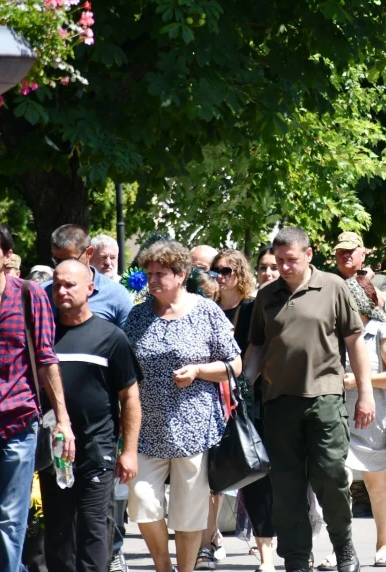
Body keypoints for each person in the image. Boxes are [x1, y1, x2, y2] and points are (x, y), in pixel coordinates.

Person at [243, 227, 374, 572]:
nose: (284, 267)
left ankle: (344, 546)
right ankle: (297, 559)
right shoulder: (266, 296)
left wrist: (365, 395)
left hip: (325, 398)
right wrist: (242, 385)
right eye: (279, 260)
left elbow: (355, 343)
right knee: (287, 487)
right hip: (279, 402)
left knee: (330, 476)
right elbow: (257, 347)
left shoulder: (333, 287)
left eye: (291, 260)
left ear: (309, 254)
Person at [123, 240, 243, 572]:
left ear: (181, 275)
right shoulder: (138, 316)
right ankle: (163, 566)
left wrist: (199, 371)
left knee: (189, 510)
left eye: (160, 273)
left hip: (194, 427)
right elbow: (124, 366)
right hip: (147, 428)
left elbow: (235, 364)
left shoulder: (205, 311)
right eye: (149, 274)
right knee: (143, 503)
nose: (153, 280)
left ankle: (186, 569)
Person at [0, 222, 75, 572]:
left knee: (10, 517)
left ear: (7, 255)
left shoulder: (30, 295)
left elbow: (46, 359)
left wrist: (62, 419)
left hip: (19, 421)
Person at [41, 260, 142, 572]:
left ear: (90, 288)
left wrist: (128, 451)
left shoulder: (111, 337)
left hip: (97, 449)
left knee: (94, 529)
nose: (61, 291)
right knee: (58, 530)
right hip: (55, 449)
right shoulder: (44, 336)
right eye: (57, 284)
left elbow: (130, 397)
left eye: (69, 284)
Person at [194, 250, 260, 571]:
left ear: (240, 274)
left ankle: (261, 539)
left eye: (227, 270)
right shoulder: (205, 308)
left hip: (243, 397)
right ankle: (210, 540)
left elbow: (255, 353)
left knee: (251, 466)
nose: (221, 276)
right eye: (216, 270)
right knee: (213, 473)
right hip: (210, 397)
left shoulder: (251, 309)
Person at [340, 276, 386, 567]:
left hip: (374, 420)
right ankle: (340, 547)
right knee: (336, 483)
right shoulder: (334, 333)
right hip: (338, 418)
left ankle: (384, 544)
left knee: (376, 485)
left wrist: (359, 381)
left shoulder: (381, 330)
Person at [46, 225, 134, 328]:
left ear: (89, 253)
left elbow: (130, 340)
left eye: (70, 260)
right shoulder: (43, 293)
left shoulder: (116, 294)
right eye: (57, 261)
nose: (64, 266)